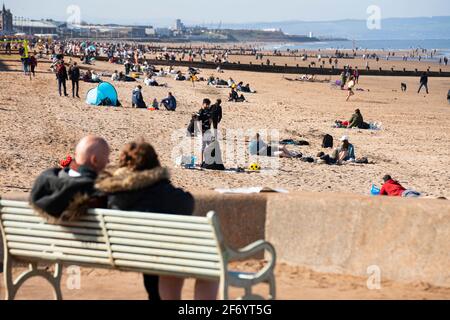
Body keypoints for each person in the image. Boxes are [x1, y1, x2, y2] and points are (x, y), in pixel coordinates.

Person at [95, 141, 219, 300]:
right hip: (155, 254)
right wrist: (162, 182)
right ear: (154, 162)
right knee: (207, 264)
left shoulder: (111, 191)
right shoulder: (160, 192)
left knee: (160, 255)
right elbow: (187, 203)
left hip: (124, 253)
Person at [30, 136, 110, 222]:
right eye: (107, 158)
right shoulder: (97, 192)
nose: (108, 162)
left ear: (75, 155)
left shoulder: (44, 183)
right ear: (94, 160)